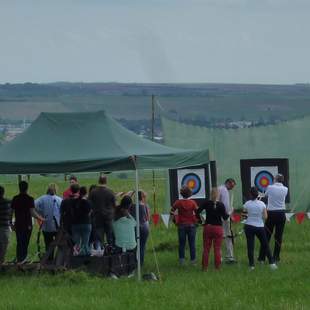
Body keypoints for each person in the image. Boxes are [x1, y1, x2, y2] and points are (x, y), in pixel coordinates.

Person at [243, 187, 277, 270]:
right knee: (265, 244)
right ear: (257, 195)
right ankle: (272, 263)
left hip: (249, 226)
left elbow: (243, 217)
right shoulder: (262, 204)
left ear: (250, 195)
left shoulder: (246, 204)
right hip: (260, 227)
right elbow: (265, 217)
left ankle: (251, 266)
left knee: (250, 246)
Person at [11, 181, 45, 264]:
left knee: (19, 241)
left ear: (19, 187)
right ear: (27, 188)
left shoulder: (15, 198)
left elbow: (11, 212)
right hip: (27, 224)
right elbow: (32, 212)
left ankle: (19, 259)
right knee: (25, 242)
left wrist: (10, 223)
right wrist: (41, 218)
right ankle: (23, 259)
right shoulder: (30, 199)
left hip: (18, 223)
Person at [258, 174, 288, 263]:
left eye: (274, 178)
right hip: (281, 213)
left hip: (271, 213)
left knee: (266, 236)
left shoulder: (270, 187)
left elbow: (265, 195)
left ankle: (262, 257)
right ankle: (276, 257)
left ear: (275, 179)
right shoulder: (285, 189)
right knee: (278, 236)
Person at [197, 187, 229, 270]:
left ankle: (204, 268)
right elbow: (225, 218)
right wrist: (230, 212)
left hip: (208, 227)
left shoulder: (206, 203)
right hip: (218, 228)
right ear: (218, 195)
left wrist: (201, 221)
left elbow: (197, 212)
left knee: (206, 249)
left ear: (211, 194)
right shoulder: (221, 205)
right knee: (217, 249)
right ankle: (217, 267)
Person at [170, 186, 198, 265]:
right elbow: (197, 212)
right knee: (192, 244)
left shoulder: (178, 202)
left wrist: (175, 220)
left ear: (181, 193)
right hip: (192, 225)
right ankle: (193, 261)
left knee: (182, 244)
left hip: (181, 225)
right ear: (190, 194)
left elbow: (171, 211)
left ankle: (181, 261)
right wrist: (197, 220)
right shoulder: (193, 202)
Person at [35, 183, 62, 259]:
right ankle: (58, 260)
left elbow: (33, 205)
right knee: (59, 244)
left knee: (48, 244)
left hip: (46, 226)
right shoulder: (59, 199)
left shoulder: (42, 198)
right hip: (57, 226)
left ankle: (49, 259)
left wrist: (40, 214)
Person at [88, 175, 116, 246]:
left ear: (98, 181)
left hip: (97, 217)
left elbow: (89, 204)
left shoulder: (93, 192)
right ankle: (111, 252)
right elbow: (114, 205)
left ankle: (100, 253)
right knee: (110, 237)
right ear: (106, 181)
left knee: (99, 238)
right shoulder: (110, 192)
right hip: (108, 217)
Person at [129, 190, 150, 266]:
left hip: (135, 226)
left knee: (134, 246)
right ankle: (141, 263)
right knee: (142, 246)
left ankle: (134, 262)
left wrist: (131, 194)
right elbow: (148, 218)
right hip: (145, 226)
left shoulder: (131, 206)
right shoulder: (146, 205)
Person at [218, 178, 236, 263]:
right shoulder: (224, 190)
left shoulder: (220, 188)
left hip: (219, 217)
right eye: (231, 186)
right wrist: (230, 213)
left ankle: (220, 257)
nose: (232, 188)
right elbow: (225, 205)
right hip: (224, 217)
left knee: (220, 236)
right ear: (228, 183)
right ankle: (230, 257)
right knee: (227, 236)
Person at [71, 186, 92, 256]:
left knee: (77, 243)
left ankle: (76, 256)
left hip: (75, 224)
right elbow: (89, 213)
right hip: (86, 224)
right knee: (85, 243)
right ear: (86, 193)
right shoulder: (87, 202)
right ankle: (85, 258)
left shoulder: (74, 201)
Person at [0, 186, 12, 265]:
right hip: (4, 226)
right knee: (4, 244)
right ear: (3, 193)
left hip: (4, 226)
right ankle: (1, 261)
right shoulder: (8, 202)